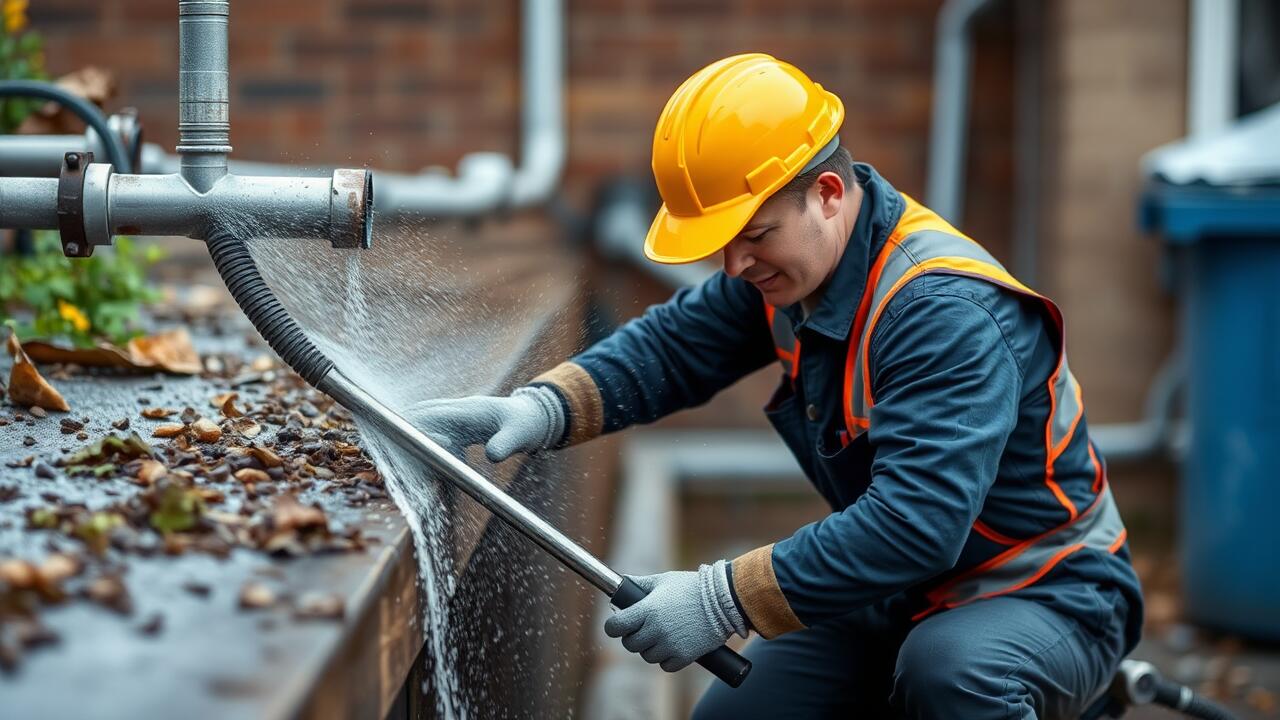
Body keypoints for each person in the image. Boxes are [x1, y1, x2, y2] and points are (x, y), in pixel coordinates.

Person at [408, 53, 1143, 719]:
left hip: (1044, 589)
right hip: (902, 590)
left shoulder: (941, 310)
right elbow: (673, 347)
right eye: (723, 243)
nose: (735, 266)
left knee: (952, 678)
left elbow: (917, 523)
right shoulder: (797, 272)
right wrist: (540, 407)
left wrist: (721, 598)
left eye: (754, 236)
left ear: (827, 193)